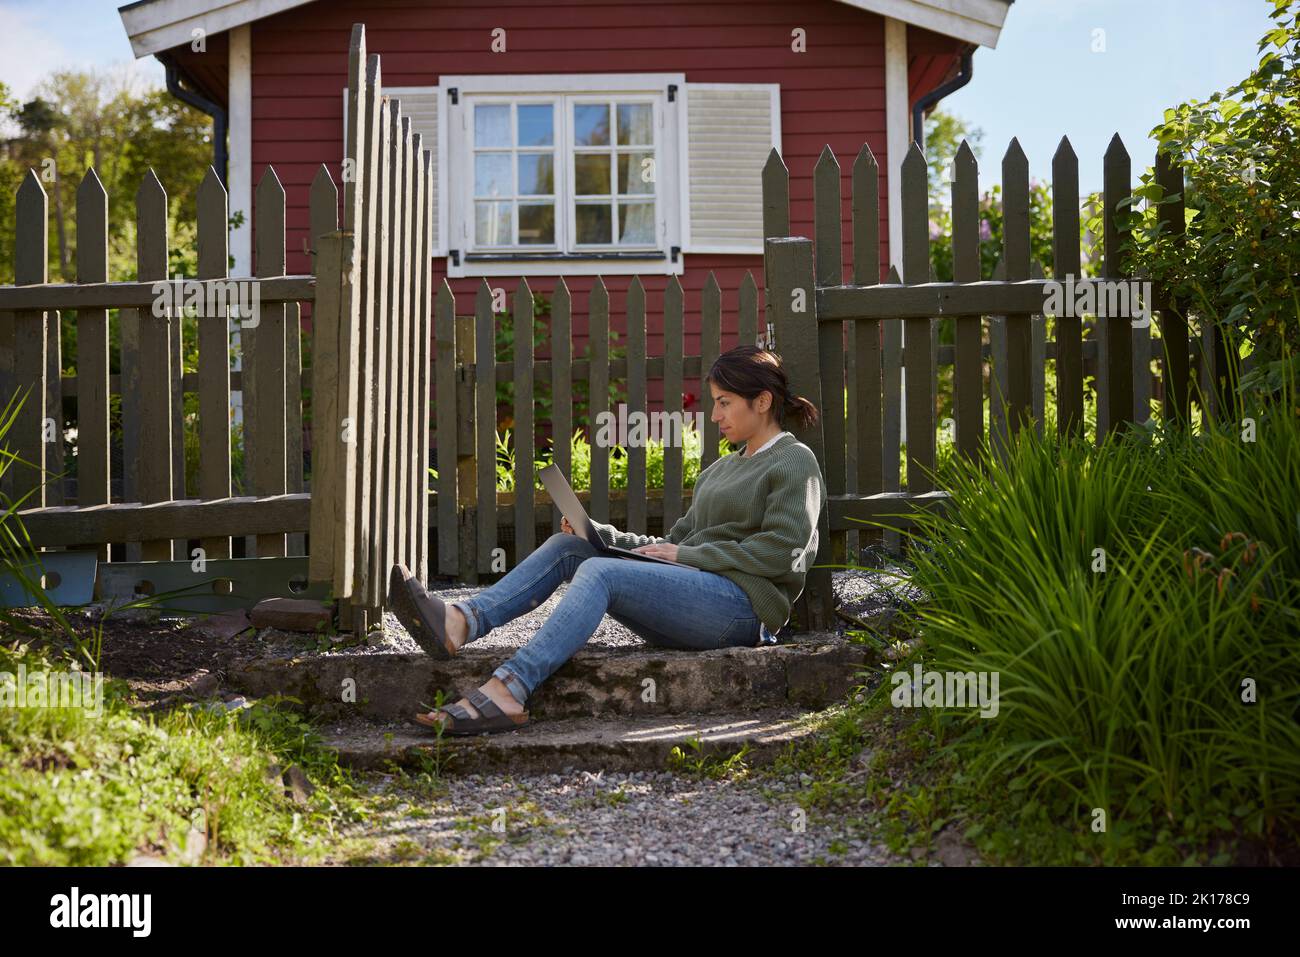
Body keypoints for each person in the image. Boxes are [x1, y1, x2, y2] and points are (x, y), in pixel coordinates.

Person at [388, 344, 826, 735]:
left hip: (744, 611)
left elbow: (783, 554)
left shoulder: (793, 461)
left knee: (600, 573)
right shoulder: (721, 469)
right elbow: (670, 543)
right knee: (572, 549)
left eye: (724, 403)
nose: (714, 416)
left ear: (762, 401)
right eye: (714, 403)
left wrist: (688, 554)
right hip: (697, 597)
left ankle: (510, 687)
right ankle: (460, 621)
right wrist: (600, 534)